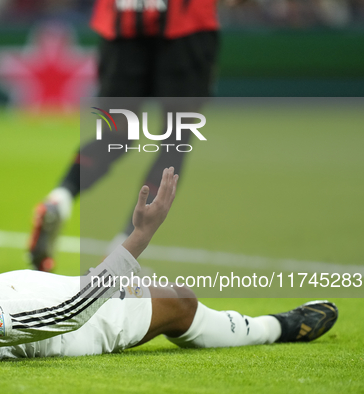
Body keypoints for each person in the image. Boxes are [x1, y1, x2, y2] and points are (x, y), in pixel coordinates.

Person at [0, 170, 337, 362]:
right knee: (179, 302)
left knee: (155, 291)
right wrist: (140, 237)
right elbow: (62, 314)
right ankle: (281, 328)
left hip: (18, 291)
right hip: (61, 329)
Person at [29, 0, 236, 271]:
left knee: (116, 135)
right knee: (175, 141)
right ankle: (122, 249)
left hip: (121, 22)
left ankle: (61, 198)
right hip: (184, 27)